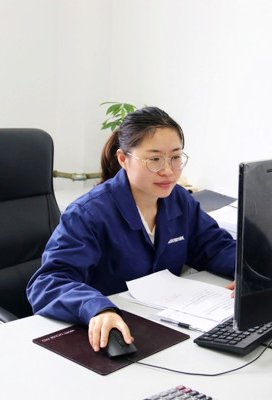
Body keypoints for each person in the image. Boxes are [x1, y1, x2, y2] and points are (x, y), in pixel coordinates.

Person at [26, 106, 236, 352]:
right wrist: (97, 309)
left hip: (166, 326)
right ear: (123, 159)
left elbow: (215, 247)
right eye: (154, 159)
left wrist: (250, 272)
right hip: (109, 332)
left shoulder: (179, 199)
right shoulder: (89, 213)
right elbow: (48, 282)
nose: (168, 171)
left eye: (176, 157)